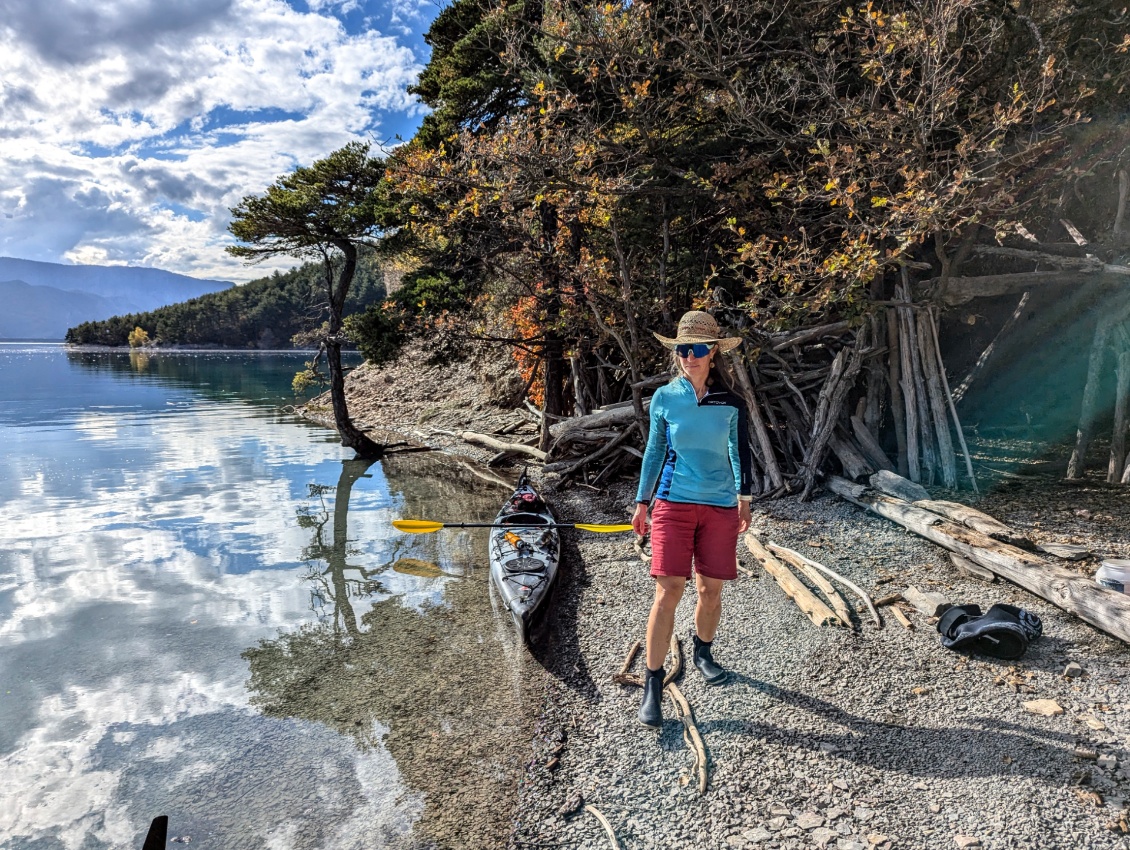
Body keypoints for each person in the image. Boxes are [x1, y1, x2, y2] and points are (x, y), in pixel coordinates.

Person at [631, 310, 753, 728]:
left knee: (711, 589)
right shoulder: (665, 397)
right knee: (668, 590)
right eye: (683, 349)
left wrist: (744, 496)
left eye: (698, 349)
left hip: (719, 504)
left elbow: (741, 451)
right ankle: (653, 681)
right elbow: (653, 451)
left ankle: (703, 652)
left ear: (714, 352)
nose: (690, 356)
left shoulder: (731, 402)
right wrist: (642, 501)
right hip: (672, 501)